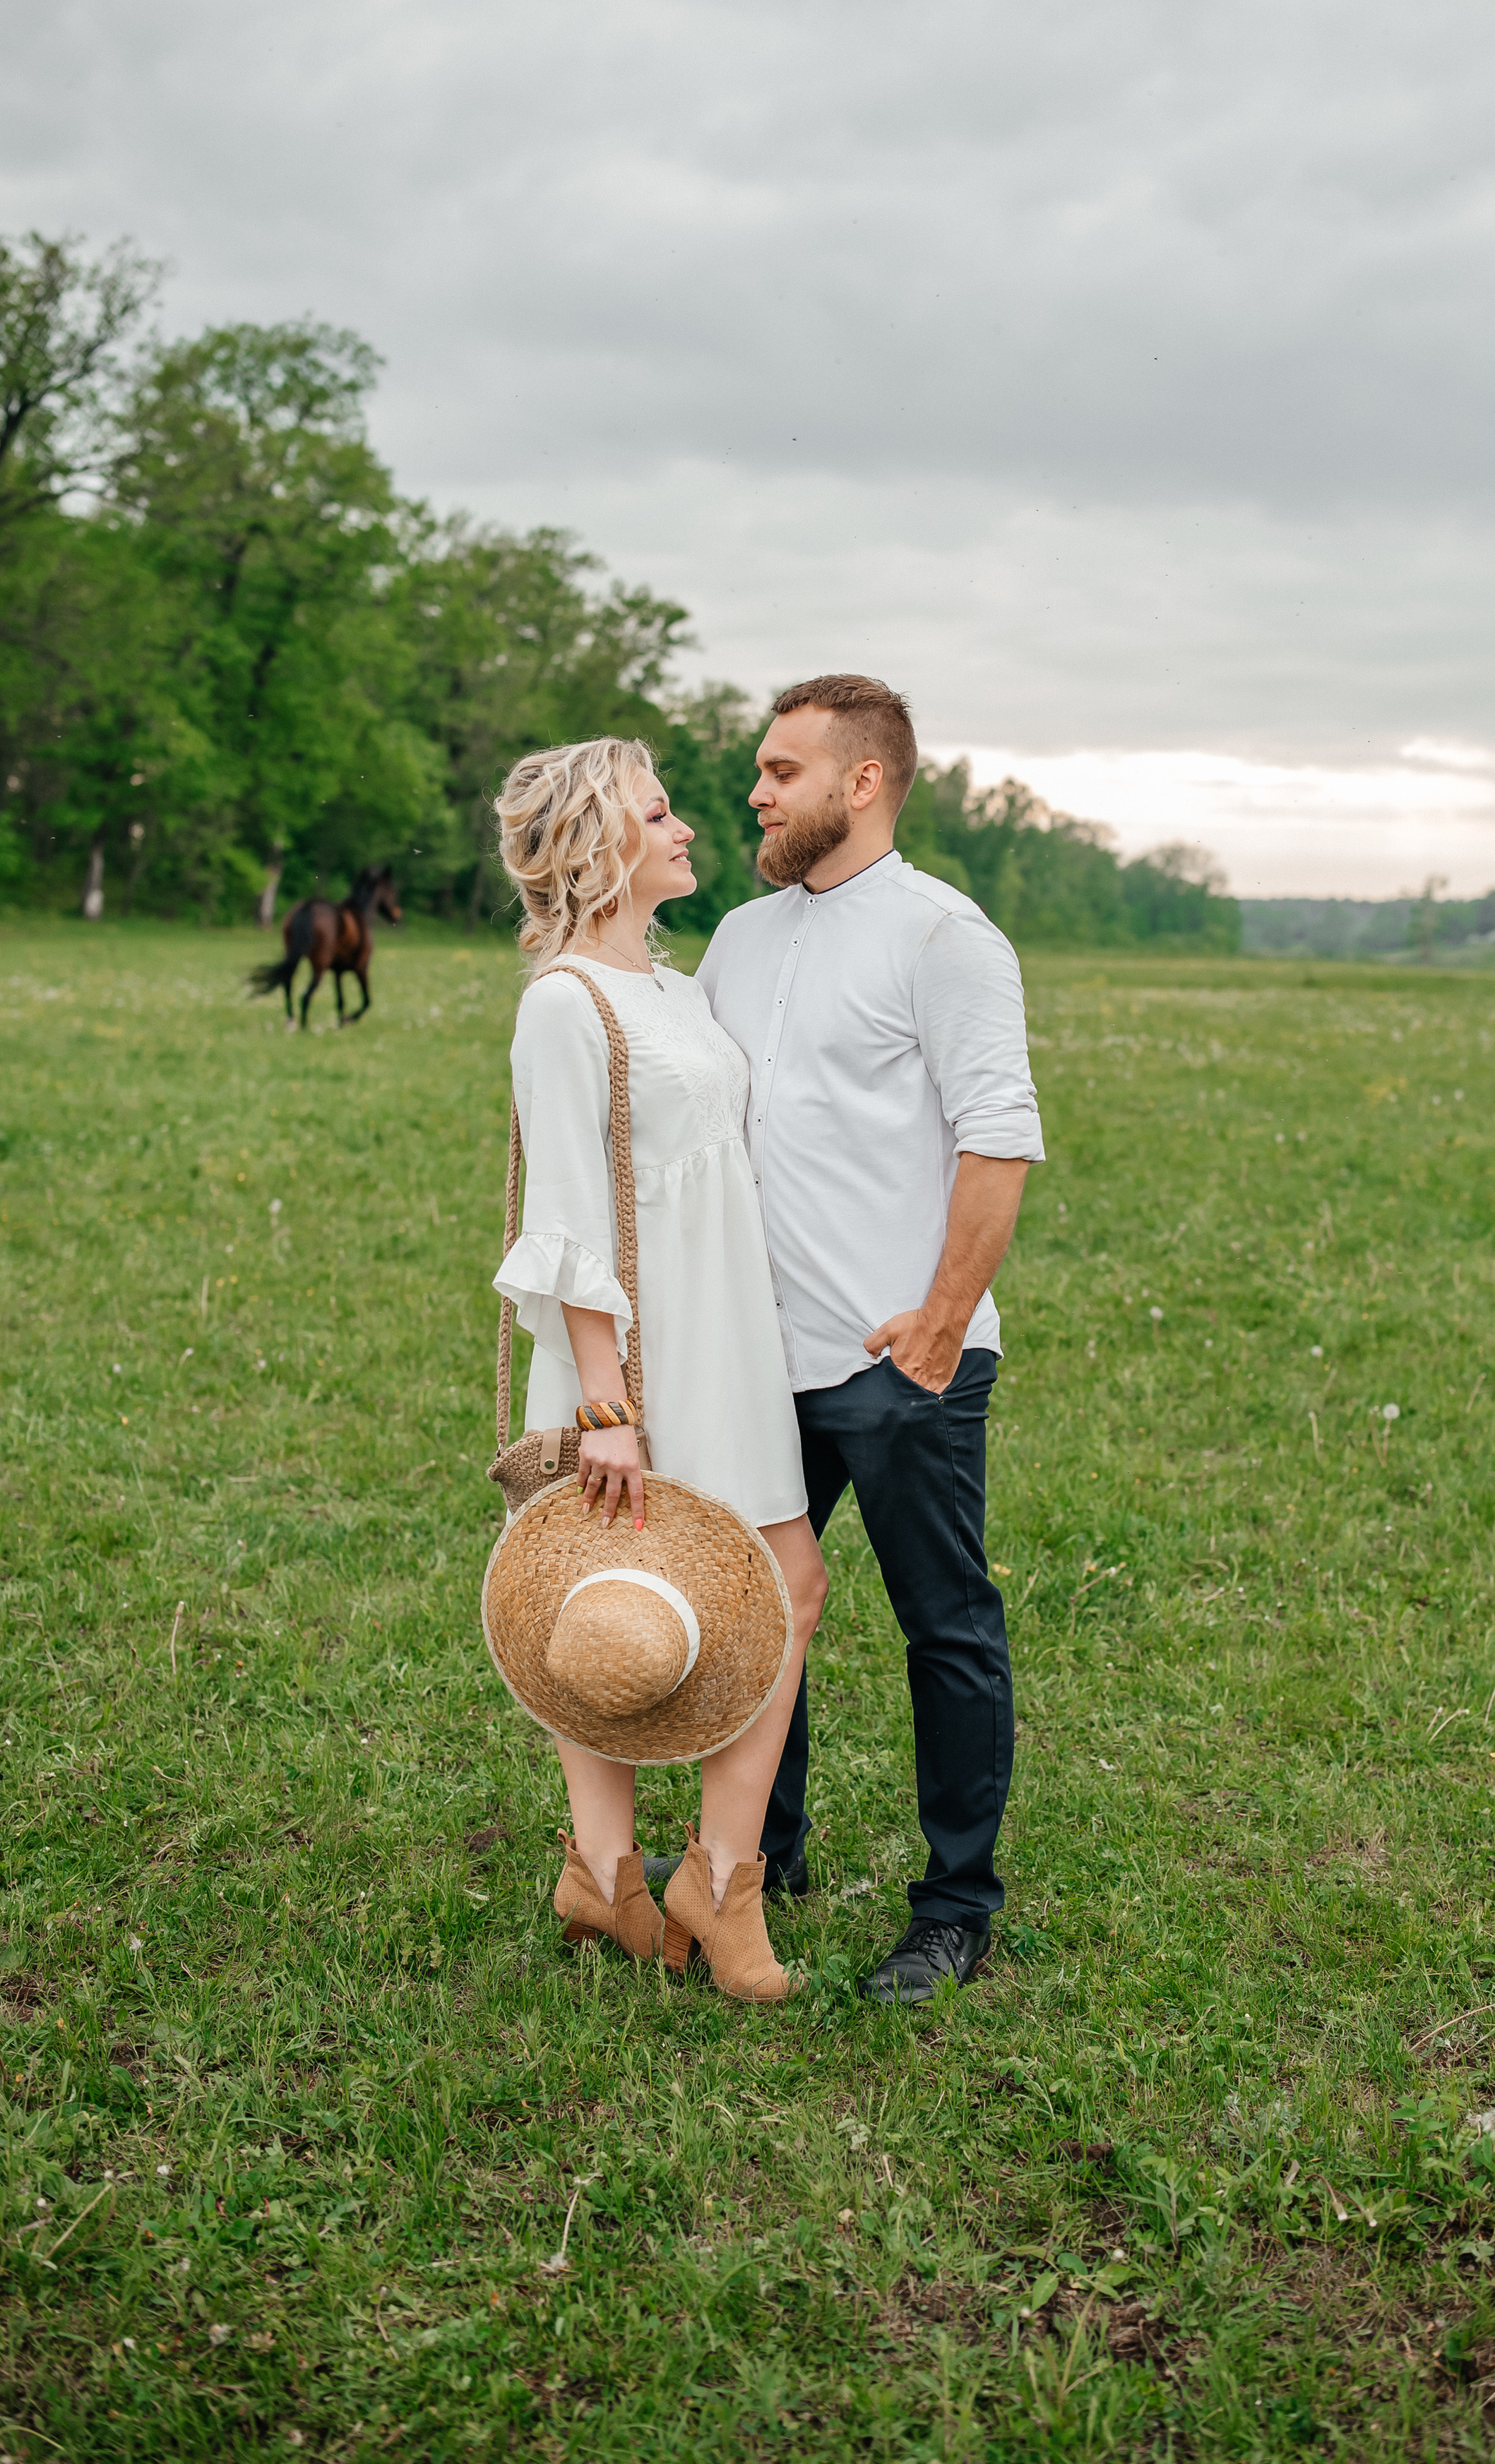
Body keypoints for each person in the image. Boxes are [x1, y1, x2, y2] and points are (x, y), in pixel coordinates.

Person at [697, 674, 1044, 2005]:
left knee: (942, 1625)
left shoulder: (946, 938)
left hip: (900, 1359)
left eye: (783, 770)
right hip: (758, 1358)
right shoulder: (737, 933)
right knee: (750, 1615)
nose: (757, 791)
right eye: (759, 769)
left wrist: (942, 1326)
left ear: (864, 782)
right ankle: (755, 1860)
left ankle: (956, 1906)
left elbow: (999, 1137)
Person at [491, 736, 829, 2003]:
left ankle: (705, 1874)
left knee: (777, 1583)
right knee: (613, 1599)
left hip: (727, 1329)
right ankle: (613, 1868)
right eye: (659, 809)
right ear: (600, 843)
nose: (689, 826)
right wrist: (606, 1407)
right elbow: (569, 1212)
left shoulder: (679, 994)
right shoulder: (564, 1003)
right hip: (630, 1354)